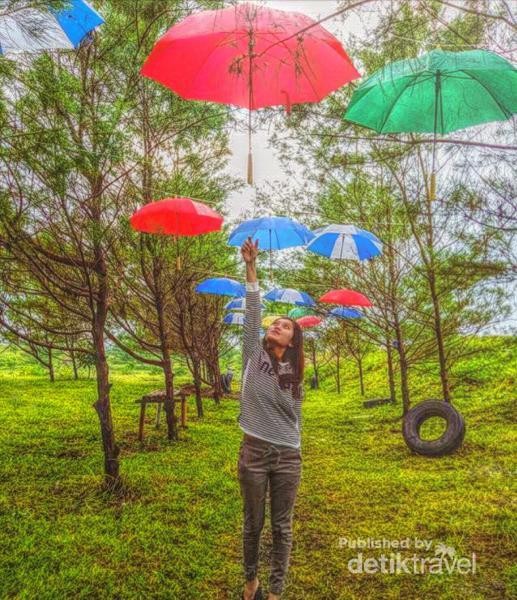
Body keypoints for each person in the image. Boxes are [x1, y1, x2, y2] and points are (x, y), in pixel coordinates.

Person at [237, 236, 305, 600]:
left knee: (282, 527)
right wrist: (251, 267)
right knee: (253, 524)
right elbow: (252, 311)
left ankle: (275, 593)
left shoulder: (295, 376)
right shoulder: (253, 355)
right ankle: (251, 586)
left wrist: (296, 449)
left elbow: (296, 420)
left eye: (286, 325)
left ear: (293, 341)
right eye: (275, 322)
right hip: (255, 452)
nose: (277, 324)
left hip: (289, 456)